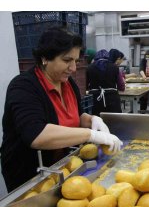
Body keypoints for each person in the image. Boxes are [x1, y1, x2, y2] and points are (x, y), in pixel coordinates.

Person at [0, 27, 123, 192]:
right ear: (45, 58)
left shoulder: (67, 83)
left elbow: (75, 115)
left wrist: (92, 120)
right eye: (67, 60)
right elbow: (36, 135)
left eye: (76, 61)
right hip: (29, 175)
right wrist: (91, 134)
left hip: (60, 168)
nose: (73, 68)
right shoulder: (23, 87)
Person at [86, 48, 125, 115]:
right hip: (112, 100)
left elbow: (85, 85)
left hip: (95, 100)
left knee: (98, 121)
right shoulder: (115, 67)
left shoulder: (89, 68)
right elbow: (121, 86)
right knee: (114, 122)